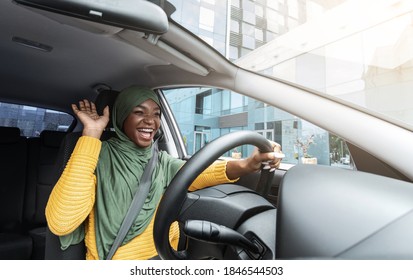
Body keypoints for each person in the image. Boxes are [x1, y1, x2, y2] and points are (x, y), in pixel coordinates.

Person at [46, 85, 283, 260]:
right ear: (122, 117)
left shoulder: (160, 159)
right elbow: (62, 222)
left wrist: (246, 164)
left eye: (156, 113)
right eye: (139, 112)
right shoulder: (96, 154)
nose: (151, 121)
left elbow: (196, 173)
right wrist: (92, 133)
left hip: (165, 256)